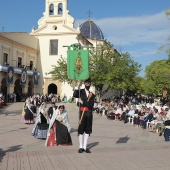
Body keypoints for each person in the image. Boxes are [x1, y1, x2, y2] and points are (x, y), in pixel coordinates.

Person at [73, 78, 95, 153]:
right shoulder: (81, 92)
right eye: (86, 83)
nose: (87, 85)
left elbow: (91, 105)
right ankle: (81, 147)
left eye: (89, 83)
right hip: (82, 113)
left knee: (87, 130)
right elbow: (75, 95)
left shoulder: (92, 94)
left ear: (90, 84)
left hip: (89, 114)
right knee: (81, 130)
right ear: (84, 84)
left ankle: (85, 147)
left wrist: (82, 102)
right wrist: (77, 86)